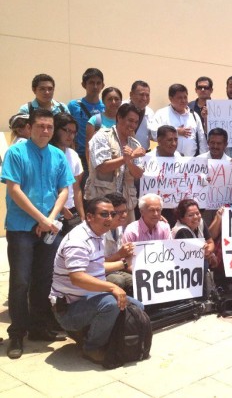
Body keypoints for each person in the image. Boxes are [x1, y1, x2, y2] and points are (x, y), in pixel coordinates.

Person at [1, 109, 75, 359]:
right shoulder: (16, 153)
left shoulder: (57, 155)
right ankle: (17, 333)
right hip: (21, 228)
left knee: (44, 279)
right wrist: (42, 219)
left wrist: (50, 219)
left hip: (48, 228)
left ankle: (38, 327)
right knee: (21, 281)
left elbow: (64, 189)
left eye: (49, 127)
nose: (45, 131)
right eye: (41, 126)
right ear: (29, 128)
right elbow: (14, 190)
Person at [50, 197, 144, 364]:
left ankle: (95, 333)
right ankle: (91, 347)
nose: (109, 218)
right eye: (104, 214)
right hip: (69, 309)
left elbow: (97, 267)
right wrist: (111, 287)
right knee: (112, 302)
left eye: (112, 214)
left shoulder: (97, 233)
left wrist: (123, 263)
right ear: (89, 217)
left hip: (89, 300)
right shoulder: (78, 241)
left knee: (137, 307)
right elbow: (77, 277)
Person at [85, 104, 145, 222]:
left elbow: (138, 174)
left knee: (125, 239)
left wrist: (129, 161)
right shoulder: (102, 136)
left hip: (126, 204)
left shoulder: (135, 144)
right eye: (130, 120)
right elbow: (101, 167)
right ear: (119, 118)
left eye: (136, 122)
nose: (133, 125)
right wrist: (128, 157)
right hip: (102, 203)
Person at [50, 113, 85, 234]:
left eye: (74, 132)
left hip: (71, 213)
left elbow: (77, 188)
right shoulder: (46, 153)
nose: (71, 135)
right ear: (56, 129)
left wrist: (82, 215)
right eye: (67, 131)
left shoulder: (73, 155)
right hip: (50, 212)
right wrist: (61, 208)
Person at [151, 84, 208, 157]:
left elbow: (202, 139)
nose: (183, 100)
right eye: (179, 98)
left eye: (185, 97)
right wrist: (176, 131)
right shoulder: (161, 114)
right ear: (171, 98)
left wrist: (201, 159)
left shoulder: (194, 116)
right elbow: (154, 134)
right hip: (168, 161)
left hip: (190, 162)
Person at [67, 68, 105, 171]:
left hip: (101, 155)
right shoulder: (73, 105)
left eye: (98, 83)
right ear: (84, 85)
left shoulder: (106, 106)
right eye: (91, 83)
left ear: (103, 85)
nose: (95, 86)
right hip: (80, 154)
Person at [172, 199, 217, 278]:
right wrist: (208, 254)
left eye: (197, 213)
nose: (196, 217)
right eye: (190, 215)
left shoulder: (200, 222)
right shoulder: (182, 230)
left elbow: (210, 242)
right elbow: (194, 256)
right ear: (182, 218)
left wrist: (209, 251)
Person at [103, 193, 134, 295]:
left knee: (137, 280)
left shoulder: (119, 228)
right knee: (118, 280)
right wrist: (120, 255)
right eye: (119, 212)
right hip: (98, 274)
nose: (124, 215)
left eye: (125, 211)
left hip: (116, 269)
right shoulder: (100, 231)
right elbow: (97, 265)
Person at [85, 87, 123, 163]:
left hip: (121, 165)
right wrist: (91, 169)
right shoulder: (95, 121)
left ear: (121, 101)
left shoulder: (124, 121)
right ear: (103, 101)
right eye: (109, 99)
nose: (113, 102)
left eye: (116, 99)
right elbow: (88, 148)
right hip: (100, 167)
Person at [128, 80, 154, 151]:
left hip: (143, 156)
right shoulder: (121, 108)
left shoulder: (150, 112)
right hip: (123, 155)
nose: (144, 98)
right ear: (131, 94)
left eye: (147, 95)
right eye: (141, 95)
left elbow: (153, 136)